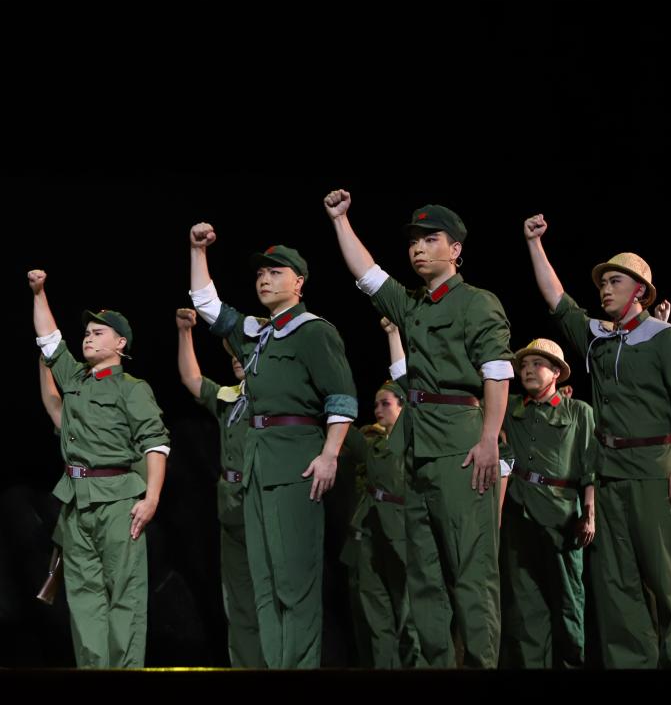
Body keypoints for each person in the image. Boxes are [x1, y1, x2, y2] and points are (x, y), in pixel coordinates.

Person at [324, 190, 514, 668]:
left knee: (471, 571)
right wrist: (340, 219)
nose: (418, 248)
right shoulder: (412, 305)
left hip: (461, 445)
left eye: (431, 240)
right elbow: (367, 273)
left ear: (455, 249)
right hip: (418, 446)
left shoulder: (476, 302)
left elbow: (496, 372)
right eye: (413, 241)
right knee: (424, 575)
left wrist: (489, 438)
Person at [523, 213, 671, 668]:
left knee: (665, 578)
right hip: (610, 471)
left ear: (639, 290)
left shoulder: (666, 338)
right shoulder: (599, 339)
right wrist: (534, 244)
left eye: (615, 281)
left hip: (655, 469)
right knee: (618, 581)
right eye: (603, 282)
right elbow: (558, 300)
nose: (605, 288)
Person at [188, 224, 357, 668]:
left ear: (298, 282)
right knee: (264, 583)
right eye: (261, 273)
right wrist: (197, 250)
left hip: (296, 460)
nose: (264, 279)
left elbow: (341, 398)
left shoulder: (314, 332)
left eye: (275, 272)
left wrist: (330, 454)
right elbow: (206, 303)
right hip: (258, 462)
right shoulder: (257, 332)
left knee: (294, 580)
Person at [28, 269, 169, 668]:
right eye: (87, 332)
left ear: (120, 343)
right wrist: (39, 292)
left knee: (125, 596)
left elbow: (156, 444)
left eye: (99, 333)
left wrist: (152, 499)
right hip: (76, 501)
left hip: (119, 501)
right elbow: (49, 339)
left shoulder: (131, 388)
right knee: (84, 599)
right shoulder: (75, 379)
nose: (88, 337)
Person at [175, 306, 264, 667]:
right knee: (237, 597)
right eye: (232, 353)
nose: (235, 357)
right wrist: (185, 333)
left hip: (263, 501)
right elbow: (192, 379)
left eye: (244, 350)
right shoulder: (230, 399)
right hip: (231, 504)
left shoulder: (279, 398)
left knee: (270, 594)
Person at [499, 338, 595, 668]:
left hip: (561, 516)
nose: (527, 370)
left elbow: (590, 467)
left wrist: (589, 513)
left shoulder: (578, 412)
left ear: (556, 372)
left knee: (568, 602)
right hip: (519, 514)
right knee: (525, 607)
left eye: (536, 364)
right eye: (524, 366)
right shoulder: (511, 408)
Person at [339, 318, 420, 668]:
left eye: (385, 403)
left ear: (402, 406)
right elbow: (341, 428)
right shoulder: (370, 441)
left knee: (410, 612)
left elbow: (405, 381)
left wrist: (392, 335)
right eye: (375, 405)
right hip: (370, 530)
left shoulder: (414, 436)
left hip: (404, 531)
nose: (377, 409)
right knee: (375, 611)